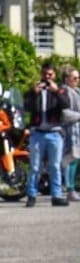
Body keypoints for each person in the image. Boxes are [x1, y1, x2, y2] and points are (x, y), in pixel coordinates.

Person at [23, 63, 67, 207]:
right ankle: (31, 195)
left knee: (55, 166)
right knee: (35, 166)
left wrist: (56, 91)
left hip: (55, 133)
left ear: (54, 75)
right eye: (45, 74)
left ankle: (56, 195)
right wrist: (33, 93)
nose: (47, 77)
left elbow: (66, 105)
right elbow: (25, 106)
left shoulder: (60, 90)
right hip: (38, 133)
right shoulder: (35, 90)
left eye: (50, 74)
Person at [62, 67, 80, 202]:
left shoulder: (77, 91)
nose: (77, 80)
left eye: (78, 78)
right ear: (66, 79)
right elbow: (64, 113)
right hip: (69, 130)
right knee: (71, 159)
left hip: (77, 130)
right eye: (74, 78)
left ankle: (73, 187)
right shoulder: (64, 92)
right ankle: (70, 189)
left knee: (76, 159)